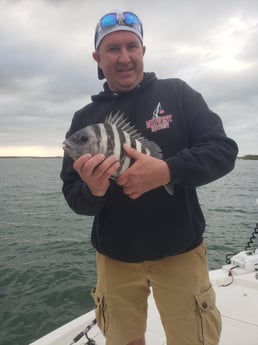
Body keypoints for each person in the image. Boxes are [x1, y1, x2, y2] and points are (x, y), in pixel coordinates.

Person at [60, 10, 238, 345]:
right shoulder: (83, 120)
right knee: (124, 340)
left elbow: (223, 151)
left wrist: (168, 170)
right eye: (113, 49)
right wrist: (94, 190)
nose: (124, 57)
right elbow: (73, 195)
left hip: (181, 252)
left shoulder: (177, 94)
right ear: (98, 57)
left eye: (132, 46)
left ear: (143, 50)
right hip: (115, 260)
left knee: (192, 339)